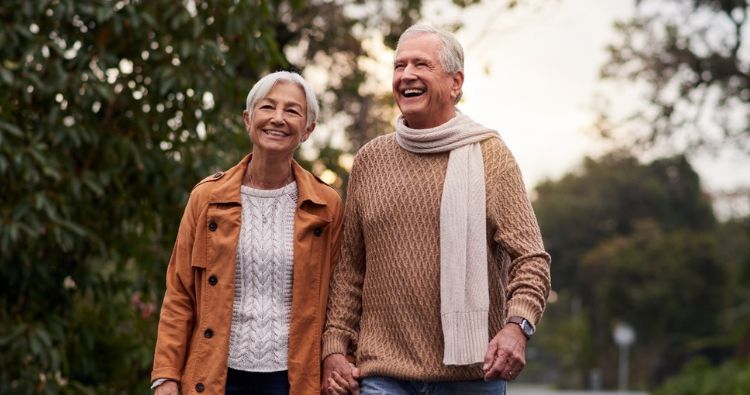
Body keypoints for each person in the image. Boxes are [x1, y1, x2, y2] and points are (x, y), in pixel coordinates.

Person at [321, 24, 551, 395]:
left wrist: (516, 327)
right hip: (383, 372)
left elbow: (531, 258)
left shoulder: (490, 155)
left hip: (472, 376)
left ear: (455, 83)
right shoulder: (369, 161)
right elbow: (350, 270)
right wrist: (334, 349)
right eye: (399, 66)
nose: (406, 75)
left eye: (421, 65)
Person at [150, 71, 344, 395]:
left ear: (308, 129)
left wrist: (337, 359)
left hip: (292, 379)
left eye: (292, 111)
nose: (278, 119)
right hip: (215, 376)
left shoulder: (326, 206)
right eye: (268, 107)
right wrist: (166, 377)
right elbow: (180, 293)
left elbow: (340, 299)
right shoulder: (206, 198)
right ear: (248, 119)